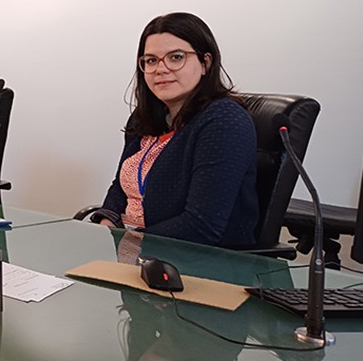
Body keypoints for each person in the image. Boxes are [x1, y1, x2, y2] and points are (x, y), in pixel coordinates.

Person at [94, 12, 258, 247]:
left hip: (193, 265)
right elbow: (120, 189)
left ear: (205, 63)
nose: (161, 68)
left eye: (176, 57)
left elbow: (201, 225)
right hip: (133, 254)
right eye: (151, 60)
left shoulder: (224, 121)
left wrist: (132, 243)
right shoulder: (143, 119)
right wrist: (104, 230)